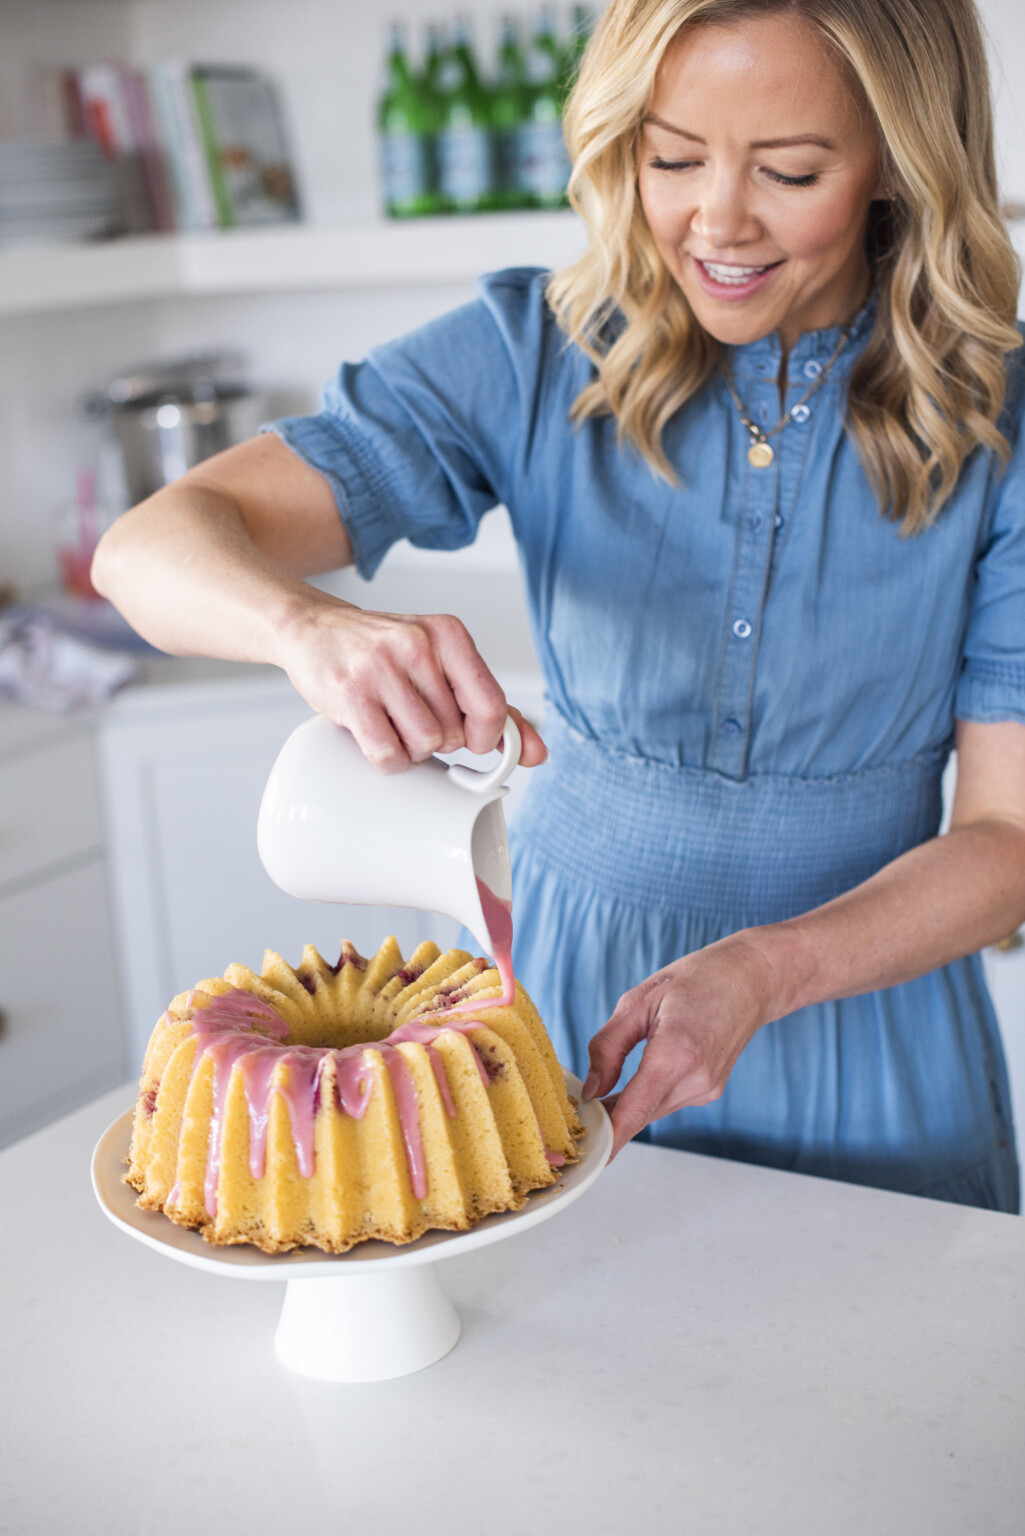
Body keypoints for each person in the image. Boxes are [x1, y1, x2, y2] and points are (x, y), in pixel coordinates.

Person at [93, 0, 1025, 1210]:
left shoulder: (997, 415)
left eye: (790, 169)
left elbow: (1005, 841)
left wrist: (767, 969)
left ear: (900, 164)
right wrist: (306, 628)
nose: (716, 219)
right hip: (558, 1017)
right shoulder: (531, 352)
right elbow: (147, 550)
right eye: (671, 156)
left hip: (871, 1015)